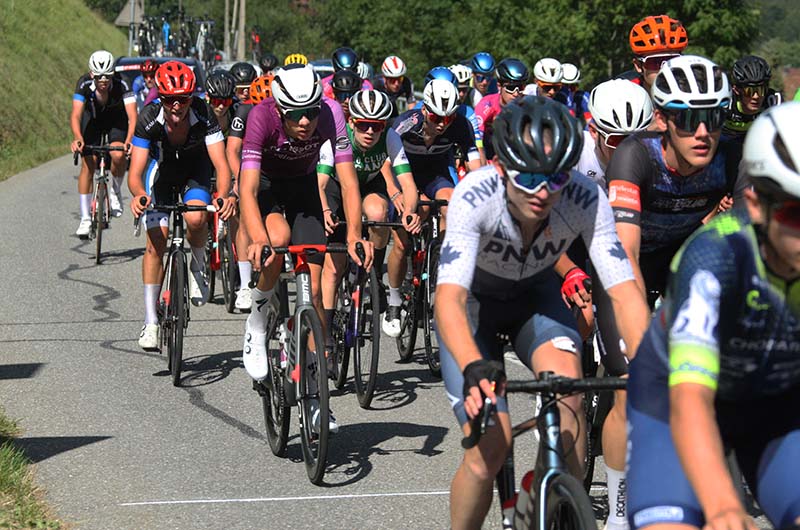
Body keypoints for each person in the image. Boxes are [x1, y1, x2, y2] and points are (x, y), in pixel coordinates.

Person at [435, 96, 649, 530]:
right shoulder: (474, 196)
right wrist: (473, 365)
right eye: (529, 177)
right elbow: (449, 300)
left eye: (556, 177)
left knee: (570, 401)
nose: (544, 191)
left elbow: (624, 292)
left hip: (535, 300)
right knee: (490, 447)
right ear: (500, 167)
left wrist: (648, 361)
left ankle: (547, 502)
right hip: (474, 308)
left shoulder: (585, 197)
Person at [626, 102, 800, 530]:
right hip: (673, 400)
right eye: (794, 214)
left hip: (774, 405)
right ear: (755, 205)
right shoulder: (714, 258)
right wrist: (723, 506)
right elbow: (691, 397)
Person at [599, 55, 739, 527]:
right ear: (661, 119)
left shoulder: (732, 154)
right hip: (630, 265)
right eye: (687, 118)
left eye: (713, 117)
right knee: (628, 386)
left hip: (685, 263)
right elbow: (625, 254)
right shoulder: (635, 155)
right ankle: (619, 510)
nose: (703, 132)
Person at [238, 65, 373, 434]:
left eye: (311, 112)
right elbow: (247, 189)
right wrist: (257, 238)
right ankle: (257, 324)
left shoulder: (331, 114)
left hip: (303, 187)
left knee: (312, 293)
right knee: (277, 241)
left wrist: (354, 235)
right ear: (281, 110)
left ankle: (314, 396)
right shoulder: (261, 117)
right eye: (296, 115)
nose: (305, 122)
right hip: (267, 186)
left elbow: (348, 182)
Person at [566, 78, 654, 530]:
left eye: (635, 139)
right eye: (616, 140)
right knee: (578, 334)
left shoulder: (651, 157)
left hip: (622, 251)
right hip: (574, 246)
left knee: (626, 375)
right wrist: (569, 273)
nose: (626, 150)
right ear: (594, 131)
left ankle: (622, 508)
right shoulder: (575, 158)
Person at [128, 61, 236, 350]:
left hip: (194, 171)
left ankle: (198, 263)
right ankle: (151, 321)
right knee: (156, 243)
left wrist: (224, 195)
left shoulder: (204, 113)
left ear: (192, 97)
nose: (176, 106)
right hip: (161, 173)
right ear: (161, 98)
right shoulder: (148, 117)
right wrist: (139, 195)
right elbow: (135, 172)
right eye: (169, 100)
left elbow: (221, 165)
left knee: (197, 218)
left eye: (183, 99)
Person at [318, 90, 420, 357]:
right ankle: (326, 332)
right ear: (352, 122)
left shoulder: (391, 138)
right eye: (363, 125)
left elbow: (408, 185)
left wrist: (410, 212)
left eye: (377, 126)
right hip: (337, 189)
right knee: (335, 264)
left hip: (369, 186)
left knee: (378, 212)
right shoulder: (338, 137)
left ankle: (372, 274)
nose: (370, 132)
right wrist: (325, 210)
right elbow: (321, 184)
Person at [383, 79, 482, 337]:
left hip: (435, 174)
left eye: (448, 119)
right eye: (437, 118)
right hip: (404, 172)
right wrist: (397, 194)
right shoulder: (405, 123)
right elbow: (385, 163)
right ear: (425, 110)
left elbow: (476, 167)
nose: (442, 125)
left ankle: (441, 259)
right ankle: (394, 299)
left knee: (451, 202)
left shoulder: (460, 124)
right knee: (403, 239)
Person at [70, 50, 137, 236]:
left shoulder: (123, 83)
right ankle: (85, 218)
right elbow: (76, 115)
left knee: (118, 154)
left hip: (116, 120)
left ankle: (115, 191)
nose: (104, 80)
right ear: (92, 74)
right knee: (88, 164)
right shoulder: (83, 83)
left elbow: (133, 116)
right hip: (92, 120)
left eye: (108, 76)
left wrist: (129, 141)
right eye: (99, 77)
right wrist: (78, 137)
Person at [617, 15, 688, 93]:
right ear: (638, 65)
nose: (664, 69)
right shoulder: (623, 92)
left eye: (671, 61)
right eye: (655, 62)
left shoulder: (695, 88)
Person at [475, 58, 529, 161]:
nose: (516, 93)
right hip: (489, 155)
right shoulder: (486, 105)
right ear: (499, 86)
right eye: (511, 88)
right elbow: (477, 144)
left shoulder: (528, 105)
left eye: (520, 88)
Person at [721, 55, 782, 140]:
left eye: (761, 90)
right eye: (749, 91)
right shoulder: (726, 102)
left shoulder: (773, 101)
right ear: (736, 90)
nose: (756, 96)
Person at [205, 70, 238, 135]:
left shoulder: (235, 109)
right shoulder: (201, 112)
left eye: (226, 102)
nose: (221, 106)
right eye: (216, 102)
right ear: (207, 97)